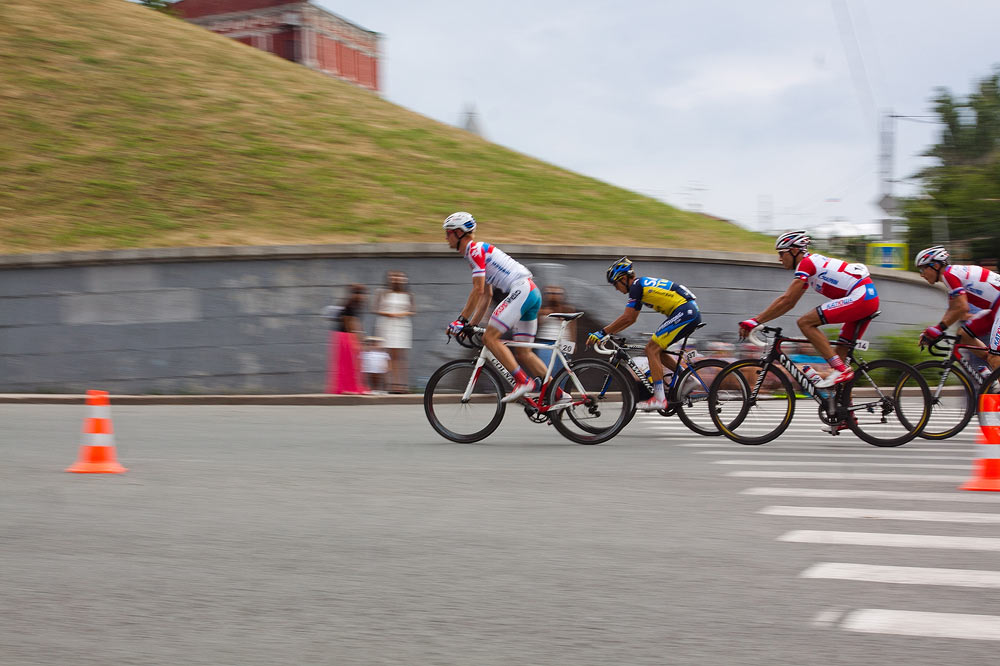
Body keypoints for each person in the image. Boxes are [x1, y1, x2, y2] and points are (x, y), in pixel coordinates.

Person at [442, 211, 567, 406]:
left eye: (448, 232)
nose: (446, 237)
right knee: (524, 353)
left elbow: (477, 289)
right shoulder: (477, 251)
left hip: (522, 291)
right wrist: (471, 325)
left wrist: (461, 320)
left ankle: (523, 381)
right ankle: (558, 393)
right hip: (531, 292)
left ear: (459, 232)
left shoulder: (474, 250)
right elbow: (486, 295)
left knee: (490, 338)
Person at [738, 230, 879, 388]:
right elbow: (789, 302)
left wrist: (755, 320)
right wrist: (758, 320)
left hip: (861, 297)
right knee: (840, 355)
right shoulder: (811, 267)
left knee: (805, 323)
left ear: (794, 251)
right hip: (866, 297)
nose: (779, 259)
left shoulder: (806, 264)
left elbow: (787, 300)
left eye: (781, 253)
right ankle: (845, 409)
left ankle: (841, 369)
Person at [586, 257, 701, 411]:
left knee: (651, 349)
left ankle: (660, 398)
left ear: (624, 278)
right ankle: (687, 379)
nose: (616, 288)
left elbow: (628, 317)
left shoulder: (636, 286)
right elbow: (631, 318)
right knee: (656, 350)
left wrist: (602, 332)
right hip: (687, 311)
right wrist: (609, 332)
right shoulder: (640, 285)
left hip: (685, 311)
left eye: (615, 284)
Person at [914, 245, 1000, 375]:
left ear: (935, 266)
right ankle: (989, 379)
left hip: (997, 305)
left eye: (923, 269)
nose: (922, 275)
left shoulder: (949, 275)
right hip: (995, 307)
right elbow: (953, 309)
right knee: (964, 335)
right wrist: (937, 328)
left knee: (995, 358)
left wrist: (938, 329)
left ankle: (992, 372)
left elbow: (962, 307)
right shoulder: (952, 275)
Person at [374, 271, 415, 393]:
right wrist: (389, 314)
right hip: (387, 323)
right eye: (394, 277)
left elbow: (412, 310)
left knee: (401, 355)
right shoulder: (383, 293)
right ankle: (389, 384)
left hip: (402, 324)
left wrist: (401, 314)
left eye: (399, 277)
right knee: (387, 355)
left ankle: (402, 384)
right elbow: (376, 308)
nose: (396, 279)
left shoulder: (408, 294)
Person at [327, 284, 369, 394]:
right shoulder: (351, 305)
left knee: (349, 363)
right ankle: (347, 388)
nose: (362, 296)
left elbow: (355, 322)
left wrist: (359, 335)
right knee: (349, 363)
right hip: (346, 336)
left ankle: (348, 387)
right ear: (354, 294)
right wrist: (357, 338)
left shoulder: (353, 305)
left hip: (344, 335)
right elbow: (350, 322)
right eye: (359, 293)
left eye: (362, 294)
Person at [536, 285, 576, 376]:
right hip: (546, 341)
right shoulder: (542, 309)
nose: (553, 296)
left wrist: (573, 342)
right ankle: (545, 389)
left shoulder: (567, 310)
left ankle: (560, 389)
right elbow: (537, 324)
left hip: (564, 342)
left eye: (557, 293)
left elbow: (572, 327)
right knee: (545, 370)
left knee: (563, 370)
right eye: (550, 293)